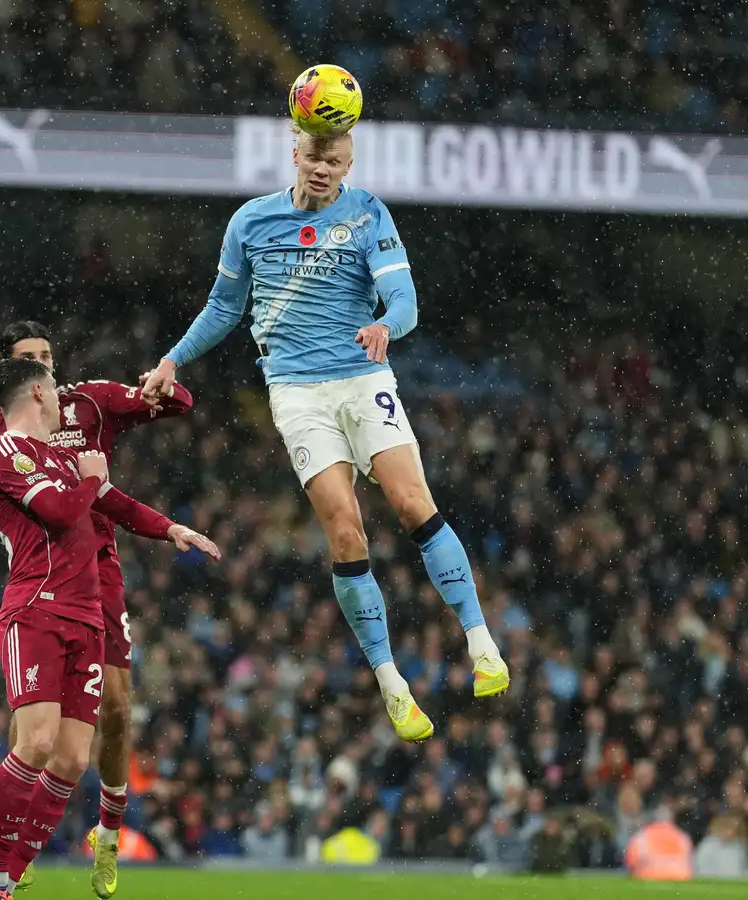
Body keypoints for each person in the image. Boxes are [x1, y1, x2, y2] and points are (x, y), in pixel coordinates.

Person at [141, 128, 507, 742]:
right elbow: (225, 307)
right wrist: (174, 359)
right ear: (295, 152)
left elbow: (405, 300)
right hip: (296, 393)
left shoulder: (367, 213)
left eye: (334, 160)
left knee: (413, 502)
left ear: (350, 161)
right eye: (314, 157)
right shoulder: (252, 222)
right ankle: (392, 683)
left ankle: (482, 642)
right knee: (344, 527)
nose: (322, 169)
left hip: (363, 379)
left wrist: (387, 325)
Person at [0, 321, 194, 897]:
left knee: (102, 726)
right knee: (37, 738)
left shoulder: (88, 403)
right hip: (41, 587)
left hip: (96, 585)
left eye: (49, 357)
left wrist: (161, 387)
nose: (49, 370)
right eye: (34, 361)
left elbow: (176, 407)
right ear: (22, 379)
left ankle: (97, 831)